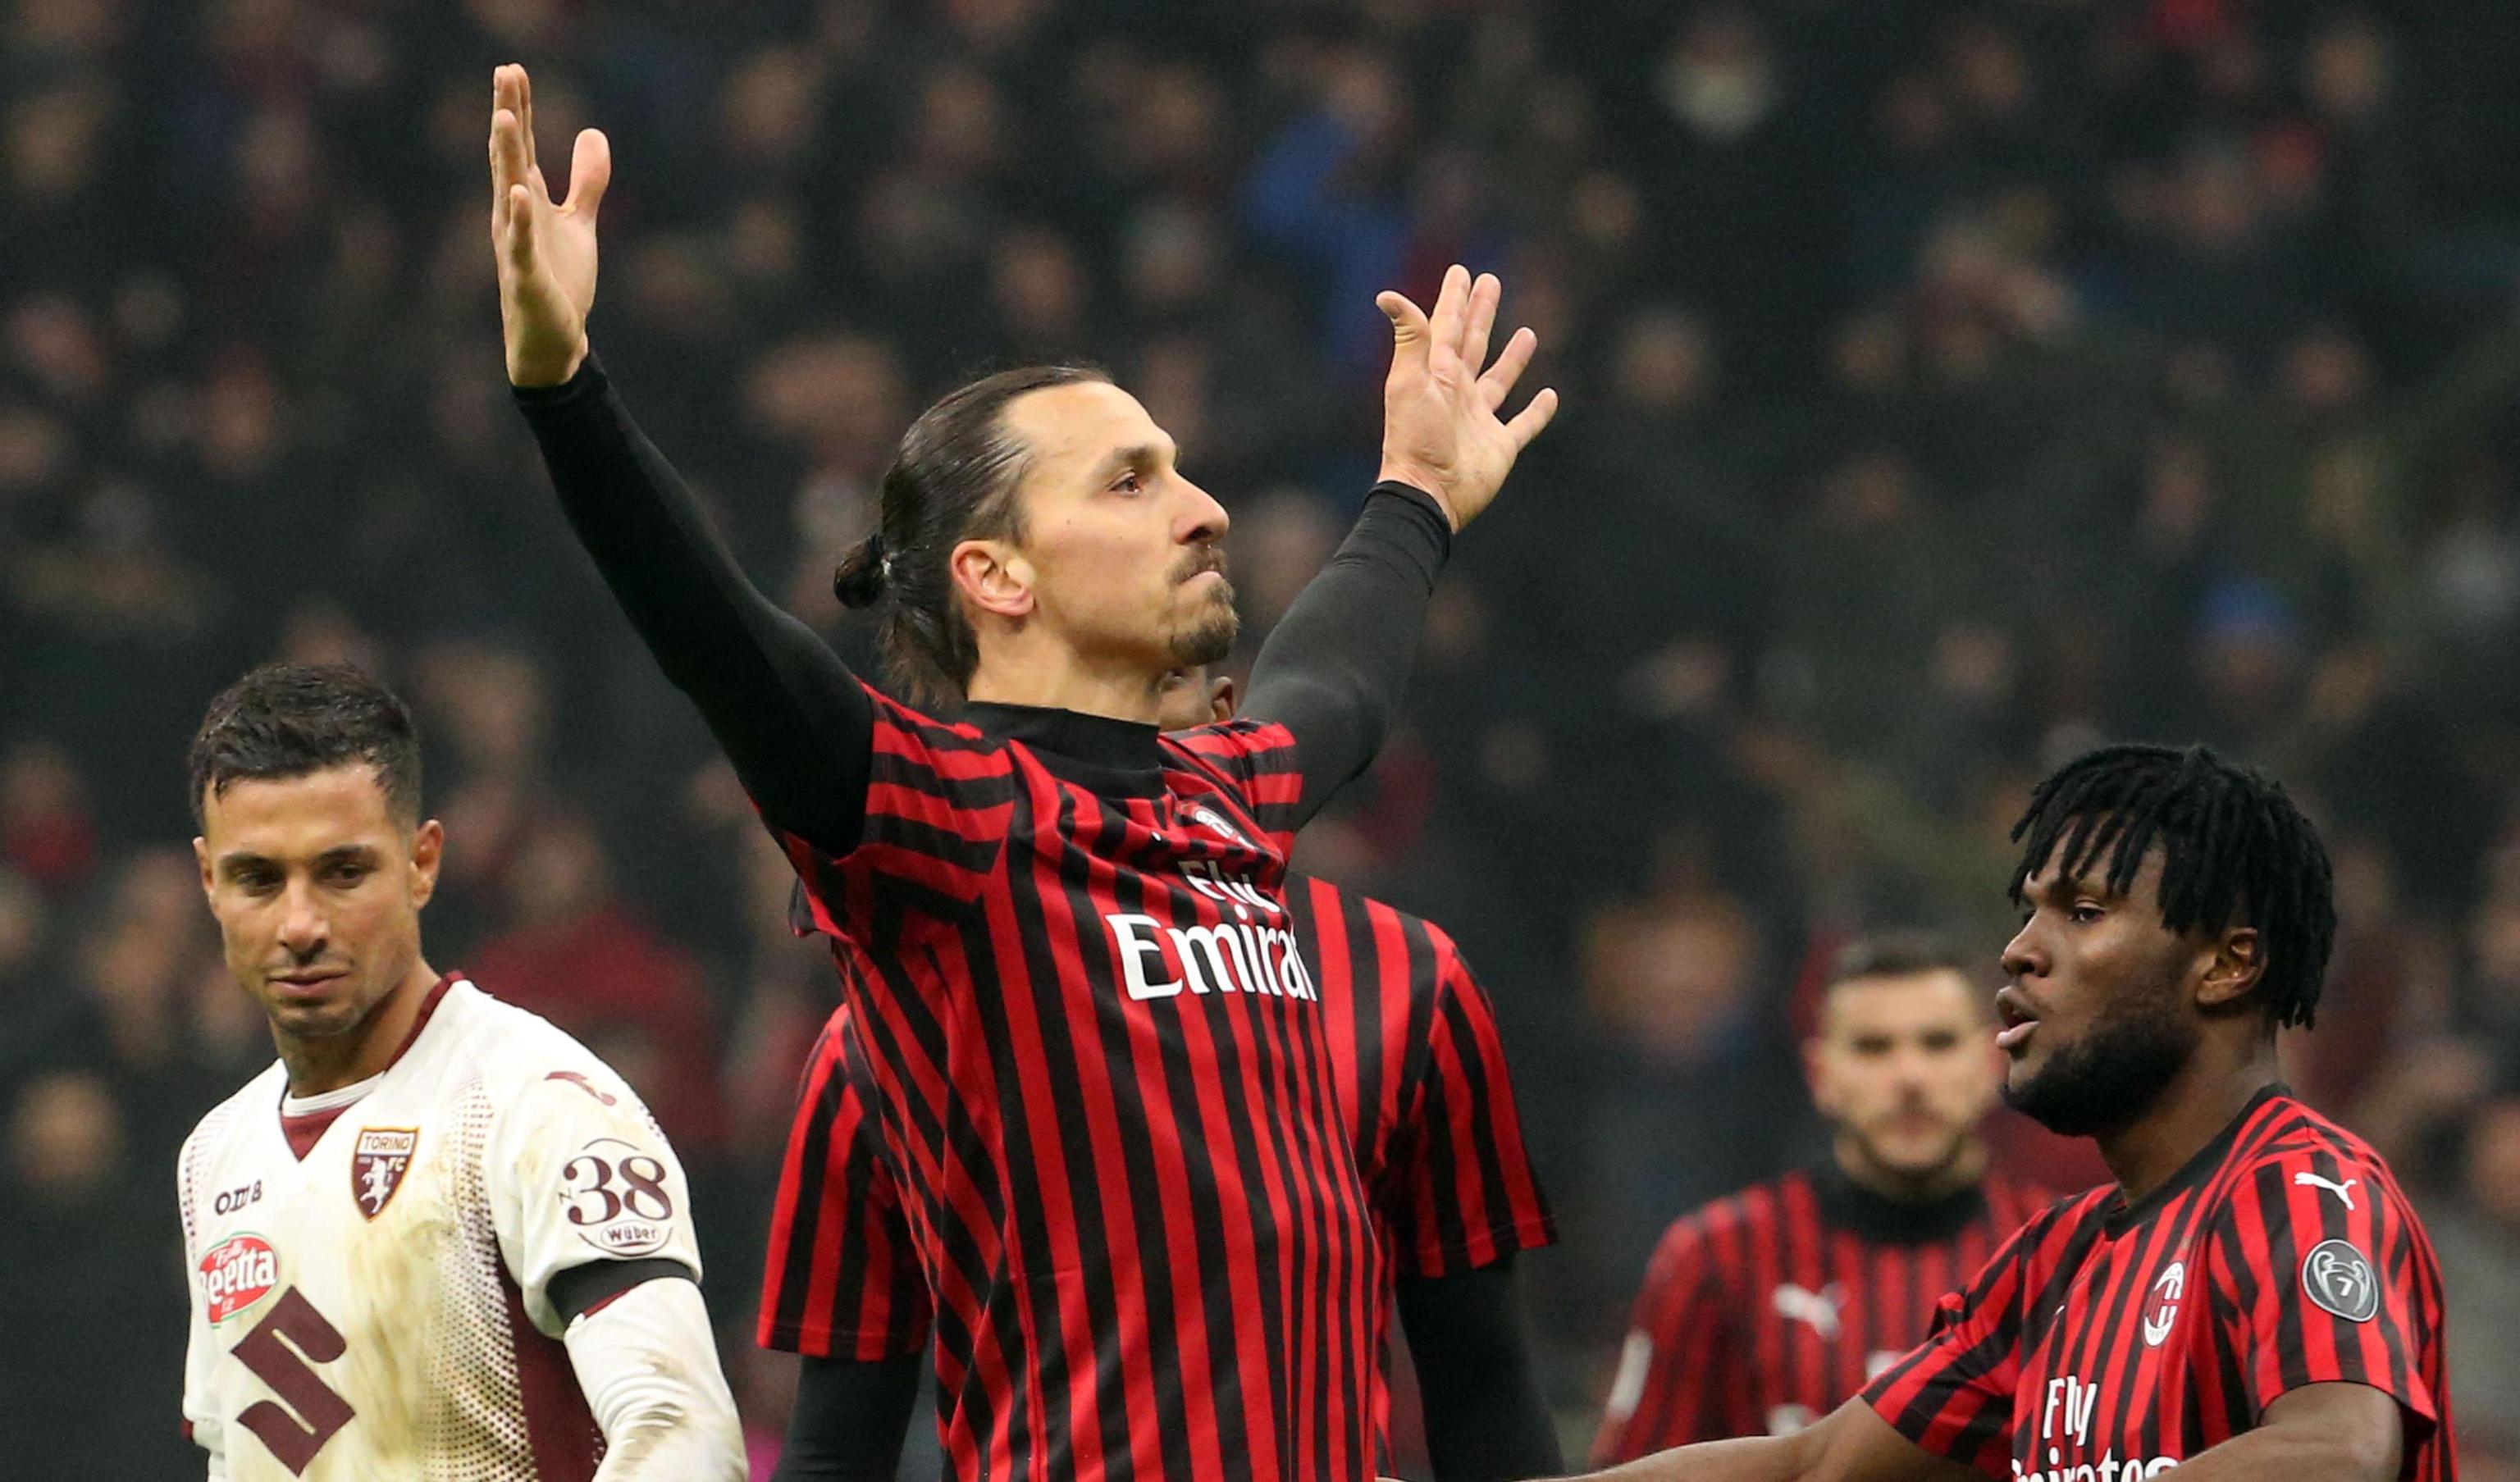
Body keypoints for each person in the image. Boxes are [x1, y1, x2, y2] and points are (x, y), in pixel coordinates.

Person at [486, 55, 1556, 1482]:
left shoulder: (1228, 804)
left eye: (1179, 468)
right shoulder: (946, 827)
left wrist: (1414, 497)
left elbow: (1333, 683)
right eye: (1129, 480)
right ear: (992, 574)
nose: (1205, 509)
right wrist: (566, 391)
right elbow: (721, 641)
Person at [1569, 744, 2454, 1482]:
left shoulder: (2297, 1189)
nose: (2020, 951)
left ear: (2226, 964)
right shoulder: (2053, 1263)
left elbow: (2341, 1448)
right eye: (2029, 913)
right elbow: (1812, 1464)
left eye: (2083, 911)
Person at [757, 670, 1560, 1482]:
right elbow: (838, 1441)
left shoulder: (1404, 978)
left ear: (1234, 729)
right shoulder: (887, 1033)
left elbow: (1483, 1380)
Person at [175, 663, 744, 1480]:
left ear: (422, 862)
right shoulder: (215, 1154)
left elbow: (683, 1432)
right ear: (209, 882)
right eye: (259, 878)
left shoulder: (541, 1104)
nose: (300, 924)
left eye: (343, 872)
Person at [1593, 933, 2051, 1460]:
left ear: (1991, 1064)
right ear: (1820, 1074)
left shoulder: (2063, 1256)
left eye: (1938, 1043)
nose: (1910, 1077)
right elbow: (1636, 1470)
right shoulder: (1716, 1257)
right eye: (1873, 1047)